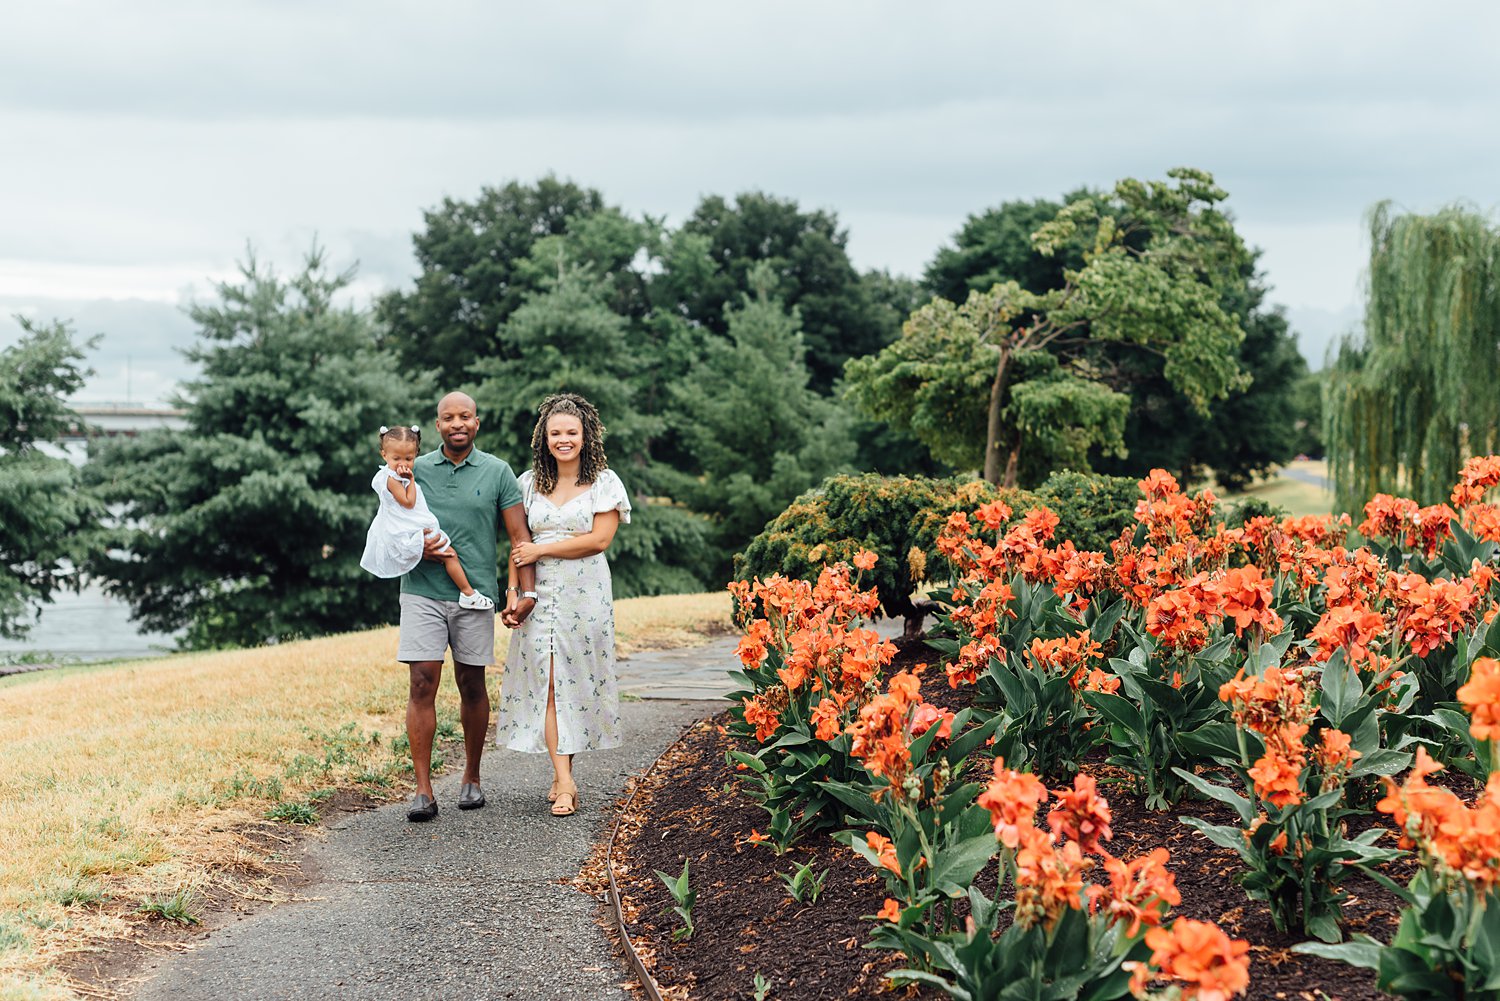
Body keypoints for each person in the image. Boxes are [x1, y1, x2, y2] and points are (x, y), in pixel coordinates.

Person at [398, 391, 536, 822]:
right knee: (422, 682)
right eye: (447, 418)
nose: (457, 423)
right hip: (421, 589)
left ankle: (471, 777)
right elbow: (390, 527)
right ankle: (422, 790)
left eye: (465, 416)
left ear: (477, 422)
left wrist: (526, 594)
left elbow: (520, 540)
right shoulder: (413, 470)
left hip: (474, 594)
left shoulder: (497, 472)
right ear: (436, 426)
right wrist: (413, 549)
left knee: (471, 684)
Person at [497, 393, 630, 818]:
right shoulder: (527, 483)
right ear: (544, 438)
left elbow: (599, 540)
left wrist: (543, 552)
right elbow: (519, 545)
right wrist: (513, 591)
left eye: (571, 432)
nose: (564, 440)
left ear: (586, 435)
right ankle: (566, 782)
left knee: (575, 680)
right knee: (548, 680)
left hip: (585, 594)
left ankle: (562, 774)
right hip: (539, 597)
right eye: (556, 433)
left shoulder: (605, 482)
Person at [359, 424, 494, 610]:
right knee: (450, 554)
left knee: (446, 555)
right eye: (396, 458)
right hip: (407, 529)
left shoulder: (395, 475)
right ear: (384, 455)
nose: (403, 464)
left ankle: (466, 592)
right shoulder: (391, 479)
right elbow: (408, 502)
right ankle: (468, 593)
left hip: (408, 525)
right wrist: (412, 480)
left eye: (409, 458)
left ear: (416, 454)